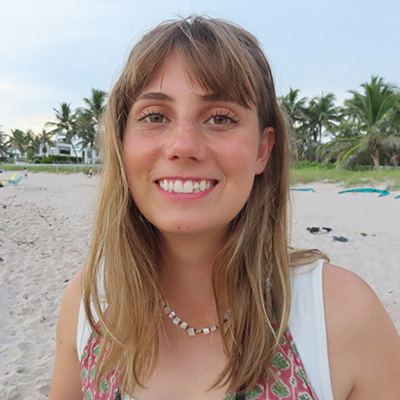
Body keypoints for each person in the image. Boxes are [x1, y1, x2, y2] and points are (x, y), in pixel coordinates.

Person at [49, 16, 400, 400]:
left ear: (262, 150)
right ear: (122, 143)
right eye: (155, 116)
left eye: (220, 118)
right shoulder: (90, 305)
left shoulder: (339, 315)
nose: (183, 145)